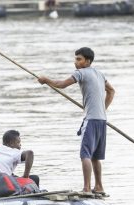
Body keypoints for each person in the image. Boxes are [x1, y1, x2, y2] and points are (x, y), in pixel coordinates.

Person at [37, 47, 115, 194]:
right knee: (95, 157)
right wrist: (102, 109)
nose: (76, 62)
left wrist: (46, 80)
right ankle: (99, 187)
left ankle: (86, 188)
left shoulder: (81, 73)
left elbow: (61, 85)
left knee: (85, 155)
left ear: (88, 61)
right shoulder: (100, 73)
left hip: (91, 120)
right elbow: (111, 91)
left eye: (79, 59)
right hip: (102, 120)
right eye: (75, 59)